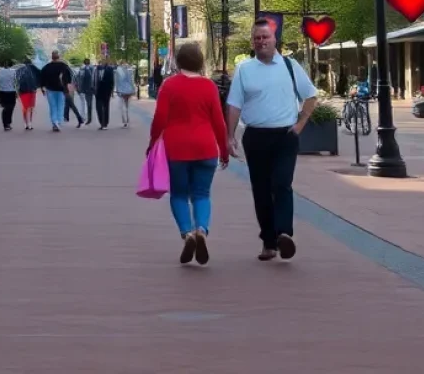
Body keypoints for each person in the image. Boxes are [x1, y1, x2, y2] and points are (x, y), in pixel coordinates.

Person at [226, 19, 318, 262]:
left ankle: (284, 234)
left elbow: (311, 96)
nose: (261, 41)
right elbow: (234, 104)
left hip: (285, 136)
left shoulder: (290, 66)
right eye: (257, 38)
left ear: (275, 40)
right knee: (261, 191)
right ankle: (268, 242)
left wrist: (300, 124)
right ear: (252, 42)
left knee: (282, 184)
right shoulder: (245, 69)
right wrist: (229, 136)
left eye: (265, 37)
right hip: (256, 136)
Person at [147, 41, 229, 265]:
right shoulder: (209, 86)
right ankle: (202, 229)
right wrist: (224, 150)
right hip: (206, 148)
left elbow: (160, 119)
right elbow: (219, 122)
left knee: (179, 195)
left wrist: (153, 142)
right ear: (201, 62)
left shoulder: (169, 85)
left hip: (177, 150)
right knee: (202, 194)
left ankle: (187, 233)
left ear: (177, 61)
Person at [40, 50, 74, 132]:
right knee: (60, 106)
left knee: (53, 107)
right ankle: (59, 122)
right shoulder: (64, 66)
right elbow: (69, 79)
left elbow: (42, 79)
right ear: (59, 57)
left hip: (50, 89)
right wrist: (68, 87)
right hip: (61, 90)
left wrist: (42, 88)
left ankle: (54, 123)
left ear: (52, 57)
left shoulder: (46, 67)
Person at [0, 59, 19, 131]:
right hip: (11, 92)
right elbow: (16, 82)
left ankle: (6, 124)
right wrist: (17, 91)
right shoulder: (14, 72)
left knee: (5, 107)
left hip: (2, 92)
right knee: (11, 107)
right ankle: (8, 123)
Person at [16, 56, 40, 131]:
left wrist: (17, 91)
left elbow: (16, 81)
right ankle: (30, 123)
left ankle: (25, 123)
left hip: (23, 91)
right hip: (32, 90)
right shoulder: (34, 69)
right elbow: (39, 76)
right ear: (30, 63)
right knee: (31, 107)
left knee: (25, 107)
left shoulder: (19, 70)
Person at [94, 57, 115, 130]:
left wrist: (112, 91)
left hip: (107, 91)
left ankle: (105, 123)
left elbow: (112, 81)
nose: (103, 61)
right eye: (101, 60)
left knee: (106, 107)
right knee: (98, 107)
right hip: (98, 91)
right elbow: (94, 79)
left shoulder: (110, 69)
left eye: (104, 60)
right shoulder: (97, 68)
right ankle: (101, 122)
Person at [115, 58, 135, 127]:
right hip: (129, 90)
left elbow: (116, 81)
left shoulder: (118, 70)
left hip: (121, 90)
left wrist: (117, 89)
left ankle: (124, 121)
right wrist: (133, 89)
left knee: (122, 106)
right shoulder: (130, 69)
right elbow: (132, 80)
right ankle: (128, 119)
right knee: (128, 106)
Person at [75, 59, 95, 125]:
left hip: (87, 89)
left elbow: (77, 78)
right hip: (86, 88)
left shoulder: (90, 69)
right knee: (86, 104)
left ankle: (88, 118)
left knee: (87, 104)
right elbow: (77, 78)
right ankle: (86, 118)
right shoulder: (83, 69)